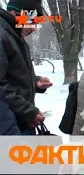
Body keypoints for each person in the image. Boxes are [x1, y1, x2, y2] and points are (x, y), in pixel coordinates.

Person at [0, 0, 53, 135]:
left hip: (19, 120)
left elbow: (11, 77)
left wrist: (34, 82)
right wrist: (27, 111)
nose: (34, 28)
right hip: (8, 126)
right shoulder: (2, 35)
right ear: (15, 12)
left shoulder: (15, 37)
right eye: (31, 21)